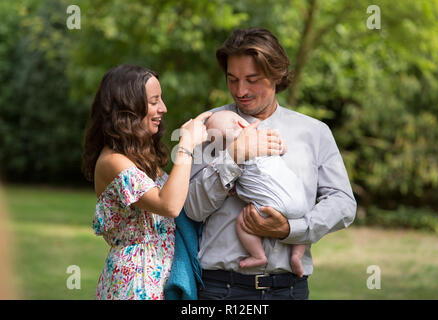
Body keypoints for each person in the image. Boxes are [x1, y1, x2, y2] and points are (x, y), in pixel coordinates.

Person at [184, 27, 357, 300]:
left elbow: (343, 204)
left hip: (290, 289)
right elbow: (192, 208)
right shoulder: (211, 127)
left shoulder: (314, 132)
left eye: (252, 79)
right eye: (232, 79)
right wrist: (234, 157)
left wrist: (291, 230)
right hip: (221, 289)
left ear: (277, 75)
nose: (240, 91)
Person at [81, 64, 213, 300]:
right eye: (154, 101)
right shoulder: (113, 161)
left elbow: (180, 193)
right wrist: (185, 145)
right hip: (136, 283)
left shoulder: (140, 157)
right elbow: (169, 205)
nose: (163, 108)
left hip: (157, 276)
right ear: (128, 108)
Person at [205, 110, 307, 277]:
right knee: (302, 223)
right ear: (243, 124)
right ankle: (296, 255)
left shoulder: (234, 158)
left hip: (272, 206)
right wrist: (281, 146)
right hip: (300, 201)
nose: (222, 150)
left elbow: (227, 181)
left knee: (243, 222)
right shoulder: (265, 137)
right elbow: (282, 146)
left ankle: (258, 255)